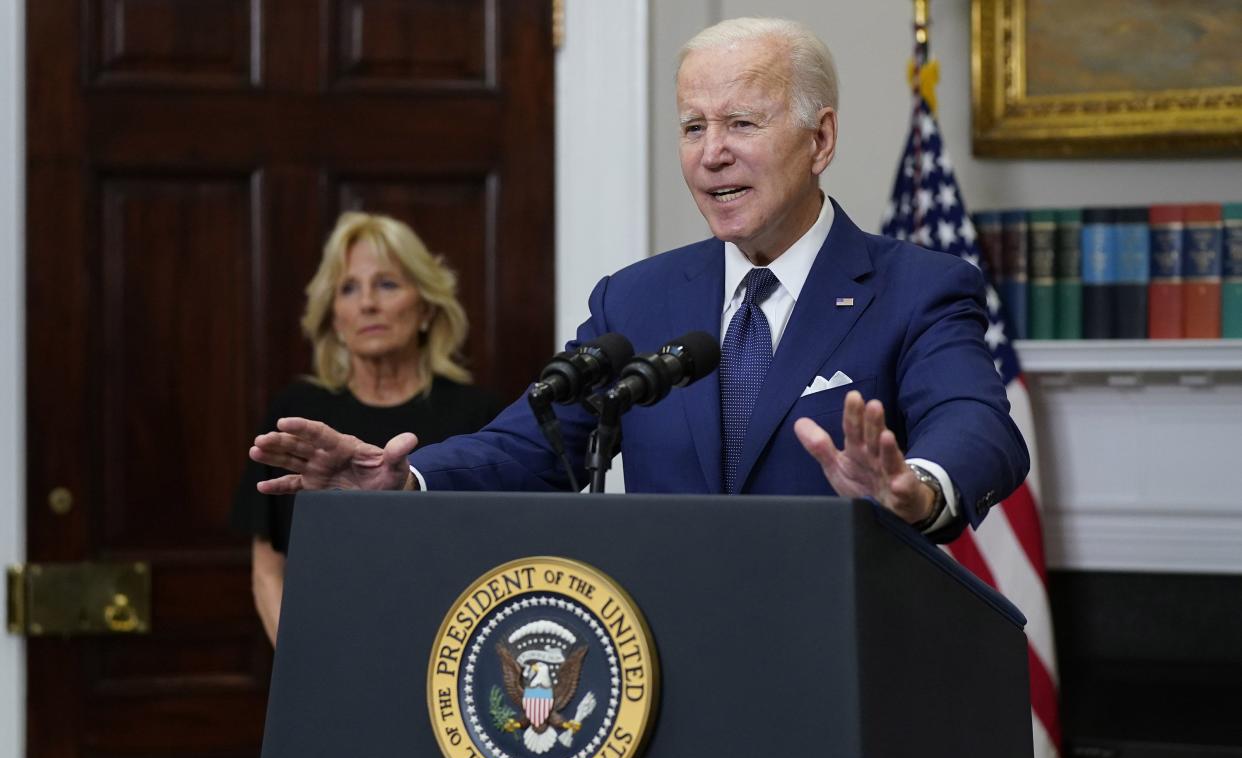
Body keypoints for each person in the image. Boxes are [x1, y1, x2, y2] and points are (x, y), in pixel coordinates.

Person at [248, 18, 1028, 543]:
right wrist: (405, 478)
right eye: (694, 127)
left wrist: (916, 489)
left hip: (839, 667)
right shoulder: (638, 299)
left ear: (819, 139)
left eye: (741, 124)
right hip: (663, 677)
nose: (710, 153)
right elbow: (532, 446)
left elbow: (980, 426)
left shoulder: (918, 288)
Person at [232, 212, 503, 644]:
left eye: (388, 284)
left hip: (444, 656)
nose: (367, 303)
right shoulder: (298, 414)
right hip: (321, 649)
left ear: (426, 308)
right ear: (335, 317)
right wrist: (301, 661)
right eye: (349, 289)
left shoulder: (476, 416)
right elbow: (268, 567)